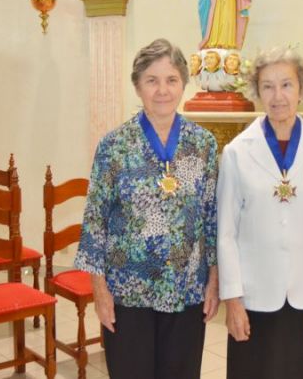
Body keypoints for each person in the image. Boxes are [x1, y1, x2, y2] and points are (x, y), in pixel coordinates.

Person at [75, 38, 219, 379]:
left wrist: (214, 280)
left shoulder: (203, 144)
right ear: (138, 86)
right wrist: (100, 291)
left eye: (171, 80)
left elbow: (212, 216)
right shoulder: (114, 146)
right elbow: (95, 221)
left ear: (183, 83)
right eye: (152, 80)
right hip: (128, 292)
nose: (162, 90)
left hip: (186, 289)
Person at [217, 46, 303, 379]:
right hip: (255, 298)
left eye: (286, 85)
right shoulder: (237, 152)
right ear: (257, 92)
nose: (278, 96)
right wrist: (233, 299)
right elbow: (226, 232)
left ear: (301, 89)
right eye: (268, 86)